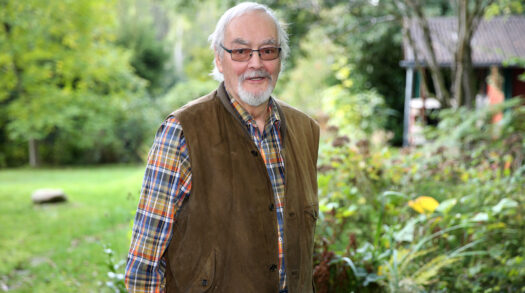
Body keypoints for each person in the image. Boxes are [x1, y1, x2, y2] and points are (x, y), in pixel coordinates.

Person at [125, 2, 319, 292]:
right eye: (241, 51)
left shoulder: (306, 131)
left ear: (280, 58)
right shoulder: (182, 131)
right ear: (219, 59)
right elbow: (145, 263)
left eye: (267, 51)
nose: (256, 64)